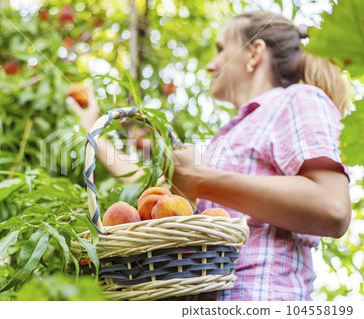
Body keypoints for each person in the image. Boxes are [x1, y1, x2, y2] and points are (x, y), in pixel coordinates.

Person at [68, 11, 352, 301]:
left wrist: (203, 180)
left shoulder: (297, 99)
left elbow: (332, 208)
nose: (209, 65)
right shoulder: (226, 138)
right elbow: (154, 194)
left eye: (220, 49)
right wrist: (94, 128)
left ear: (254, 53)